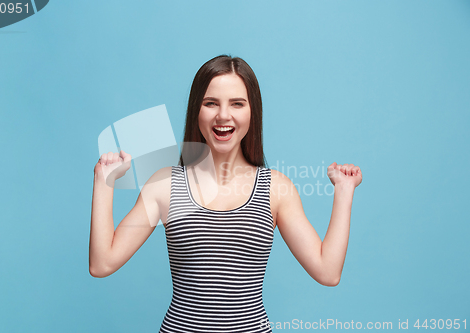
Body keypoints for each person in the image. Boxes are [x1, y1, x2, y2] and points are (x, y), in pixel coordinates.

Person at [89, 55, 362, 332]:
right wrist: (104, 180)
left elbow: (327, 272)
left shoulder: (276, 189)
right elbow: (102, 264)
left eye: (237, 103)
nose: (223, 115)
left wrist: (344, 190)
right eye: (211, 103)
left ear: (251, 111)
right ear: (197, 109)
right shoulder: (165, 185)